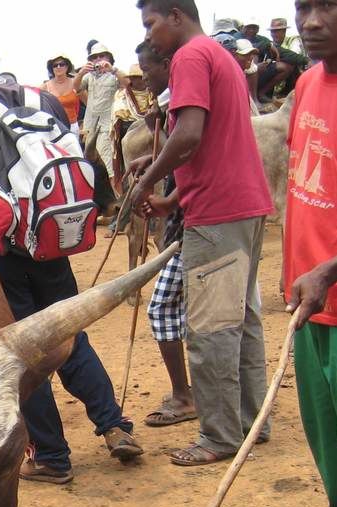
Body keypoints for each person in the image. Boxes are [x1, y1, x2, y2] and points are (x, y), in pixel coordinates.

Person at [0, 34, 143, 485]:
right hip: (52, 238)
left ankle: (50, 455)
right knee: (66, 333)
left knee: (21, 352)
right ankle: (114, 425)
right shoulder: (41, 99)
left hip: (1, 252)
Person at [133, 0, 273, 466]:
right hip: (243, 204)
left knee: (211, 327)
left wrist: (150, 177)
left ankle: (219, 436)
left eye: (151, 23)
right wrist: (173, 197)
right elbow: (210, 142)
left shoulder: (190, 57)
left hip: (218, 215)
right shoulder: (218, 55)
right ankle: (254, 423)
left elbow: (189, 134)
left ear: (176, 15)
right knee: (244, 321)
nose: (150, 36)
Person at [282, 0, 337, 507]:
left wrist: (332, 268)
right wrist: (297, 270)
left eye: (329, 5)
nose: (312, 21)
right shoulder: (306, 82)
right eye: (304, 6)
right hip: (310, 301)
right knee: (326, 430)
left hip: (335, 290)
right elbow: (306, 183)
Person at [132, 42, 196, 429]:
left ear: (168, 64)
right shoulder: (170, 105)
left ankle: (187, 396)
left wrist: (165, 196)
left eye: (147, 68)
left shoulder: (182, 104)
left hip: (195, 224)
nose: (145, 78)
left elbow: (194, 157)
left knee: (163, 308)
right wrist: (154, 162)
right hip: (190, 220)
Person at [73, 43, 130, 178]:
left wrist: (113, 70)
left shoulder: (114, 74)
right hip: (89, 126)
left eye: (102, 56)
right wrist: (81, 72)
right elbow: (76, 88)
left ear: (109, 57)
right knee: (89, 161)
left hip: (107, 125)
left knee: (107, 163)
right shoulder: (88, 76)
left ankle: (114, 196)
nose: (98, 59)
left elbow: (128, 84)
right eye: (95, 57)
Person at [110, 63, 155, 190]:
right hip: (128, 135)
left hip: (153, 134)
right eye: (137, 77)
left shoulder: (156, 93)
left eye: (143, 76)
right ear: (131, 79)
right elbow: (117, 121)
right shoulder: (121, 97)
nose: (141, 80)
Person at [239, 17, 294, 102]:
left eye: (254, 28)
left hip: (259, 72)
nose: (251, 30)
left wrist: (269, 59)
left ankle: (261, 94)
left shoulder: (292, 41)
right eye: (249, 28)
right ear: (243, 28)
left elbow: (286, 53)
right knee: (254, 62)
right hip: (242, 72)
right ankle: (252, 98)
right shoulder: (236, 38)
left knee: (289, 66)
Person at [268, 17, 309, 96]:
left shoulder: (294, 40)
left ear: (284, 31)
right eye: (272, 31)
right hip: (279, 80)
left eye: (277, 31)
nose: (274, 34)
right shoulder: (271, 44)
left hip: (296, 76)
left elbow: (294, 57)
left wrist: (279, 54)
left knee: (290, 64)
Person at [41, 55, 81, 135]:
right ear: (52, 69)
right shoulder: (45, 86)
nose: (58, 67)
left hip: (73, 127)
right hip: (54, 128)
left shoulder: (75, 83)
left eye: (61, 64)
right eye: (55, 65)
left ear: (67, 66)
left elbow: (89, 103)